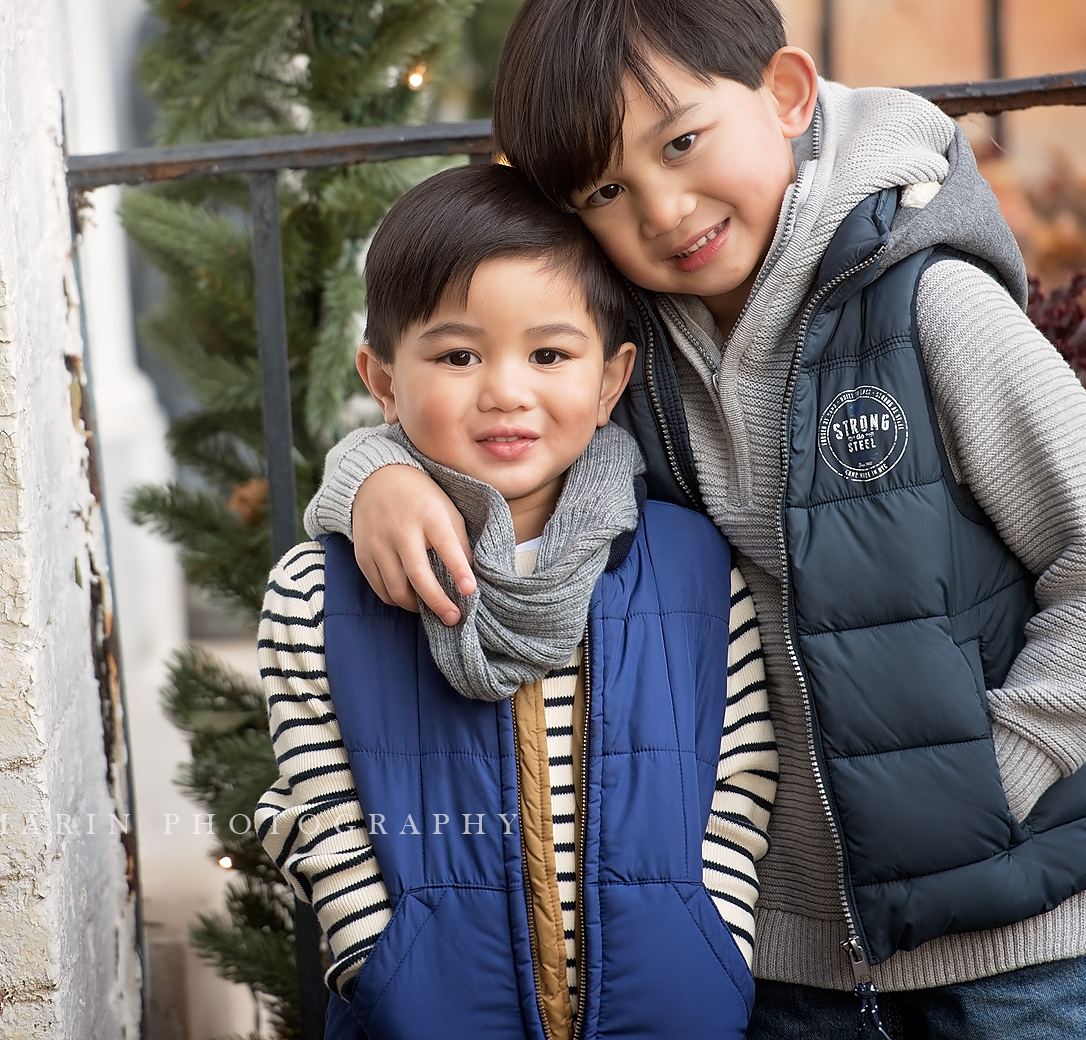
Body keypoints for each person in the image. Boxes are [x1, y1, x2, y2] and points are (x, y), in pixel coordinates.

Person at [305, 0, 1086, 1039]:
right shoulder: (632, 357)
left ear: (786, 93)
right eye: (604, 193)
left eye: (679, 144)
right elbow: (464, 396)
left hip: (1002, 950)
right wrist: (373, 475)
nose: (659, 212)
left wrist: (978, 788)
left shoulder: (925, 309)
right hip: (772, 962)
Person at [255, 163, 778, 1040]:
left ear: (611, 379)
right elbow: (320, 800)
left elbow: (744, 773)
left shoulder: (690, 566)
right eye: (458, 355)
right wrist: (381, 961)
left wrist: (712, 944)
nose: (504, 389)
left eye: (549, 353)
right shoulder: (321, 588)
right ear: (382, 378)